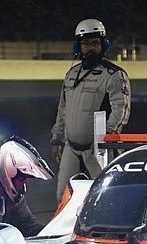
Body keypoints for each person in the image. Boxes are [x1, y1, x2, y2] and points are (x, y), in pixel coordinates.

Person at [50, 18, 131, 201]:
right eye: (86, 44)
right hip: (71, 147)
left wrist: (108, 137)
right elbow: (62, 109)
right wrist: (56, 137)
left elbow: (121, 109)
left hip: (98, 150)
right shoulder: (71, 74)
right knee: (62, 196)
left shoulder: (114, 75)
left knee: (105, 196)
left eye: (95, 43)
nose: (91, 48)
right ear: (78, 47)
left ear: (103, 45)